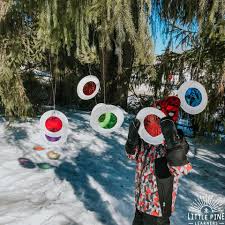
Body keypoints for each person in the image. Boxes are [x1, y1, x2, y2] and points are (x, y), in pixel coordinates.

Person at [125, 96, 192, 225]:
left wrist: (172, 141)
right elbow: (132, 155)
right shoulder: (145, 140)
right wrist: (131, 141)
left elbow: (181, 168)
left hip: (158, 211)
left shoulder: (177, 142)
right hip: (140, 204)